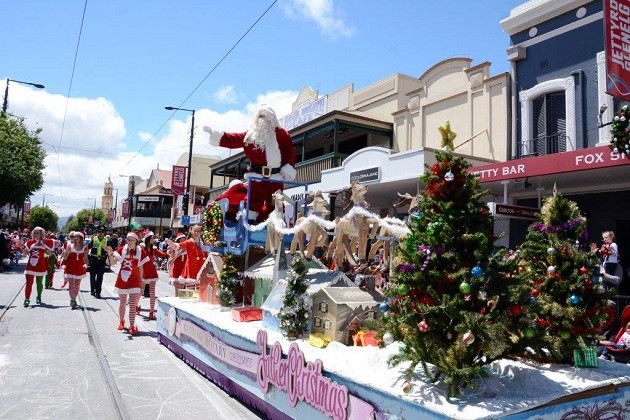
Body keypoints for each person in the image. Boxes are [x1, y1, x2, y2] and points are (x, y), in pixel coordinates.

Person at [204, 105, 297, 222]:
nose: (262, 119)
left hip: (275, 177)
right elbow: (234, 139)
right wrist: (215, 134)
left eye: (265, 116)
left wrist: (288, 168)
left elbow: (289, 152)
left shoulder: (282, 134)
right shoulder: (251, 135)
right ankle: (249, 224)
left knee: (276, 204)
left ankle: (277, 227)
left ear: (272, 119)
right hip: (257, 177)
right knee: (253, 202)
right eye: (260, 116)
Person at [105, 232, 148, 335]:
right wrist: (110, 253)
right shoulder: (122, 249)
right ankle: (121, 320)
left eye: (132, 239)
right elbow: (113, 263)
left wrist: (142, 280)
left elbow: (141, 267)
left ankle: (132, 326)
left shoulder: (140, 250)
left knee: (133, 305)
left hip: (134, 280)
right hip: (123, 279)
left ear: (136, 241)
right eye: (128, 239)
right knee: (122, 303)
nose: (130, 241)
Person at [21, 227, 58, 307]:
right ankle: (27, 299)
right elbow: (25, 253)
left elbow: (50, 253)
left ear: (41, 234)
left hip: (40, 265)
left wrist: (49, 253)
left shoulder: (44, 242)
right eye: (35, 232)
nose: (36, 234)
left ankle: (38, 296)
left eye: (38, 232)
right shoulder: (29, 242)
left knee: (39, 283)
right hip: (30, 265)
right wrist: (22, 247)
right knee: (29, 283)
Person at [166, 224, 208, 289]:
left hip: (202, 274)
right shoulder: (188, 242)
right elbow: (176, 246)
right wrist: (171, 243)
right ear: (191, 231)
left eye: (198, 231)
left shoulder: (204, 244)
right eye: (195, 231)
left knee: (201, 296)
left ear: (201, 232)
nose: (196, 233)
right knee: (190, 296)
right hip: (190, 274)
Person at [139, 231, 168, 320]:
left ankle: (151, 311)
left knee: (152, 293)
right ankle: (136, 306)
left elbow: (163, 255)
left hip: (152, 272)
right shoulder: (141, 248)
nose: (154, 239)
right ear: (148, 239)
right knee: (140, 292)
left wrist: (171, 252)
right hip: (143, 273)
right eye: (152, 238)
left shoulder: (154, 249)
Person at [61, 232, 88, 309]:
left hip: (79, 268)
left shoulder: (85, 247)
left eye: (77, 237)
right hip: (70, 267)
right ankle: (72, 299)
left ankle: (74, 297)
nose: (75, 238)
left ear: (81, 239)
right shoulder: (70, 246)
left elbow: (85, 258)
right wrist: (67, 252)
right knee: (71, 284)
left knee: (77, 284)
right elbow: (65, 258)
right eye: (74, 237)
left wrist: (86, 264)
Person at [87, 226, 109, 298]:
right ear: (97, 232)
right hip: (93, 260)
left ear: (104, 233)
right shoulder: (94, 239)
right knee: (92, 276)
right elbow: (87, 248)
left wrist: (110, 262)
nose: (101, 233)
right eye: (99, 232)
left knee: (100, 277)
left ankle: (98, 292)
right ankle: (92, 290)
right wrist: (86, 259)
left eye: (102, 232)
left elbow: (110, 251)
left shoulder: (107, 240)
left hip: (102, 261)